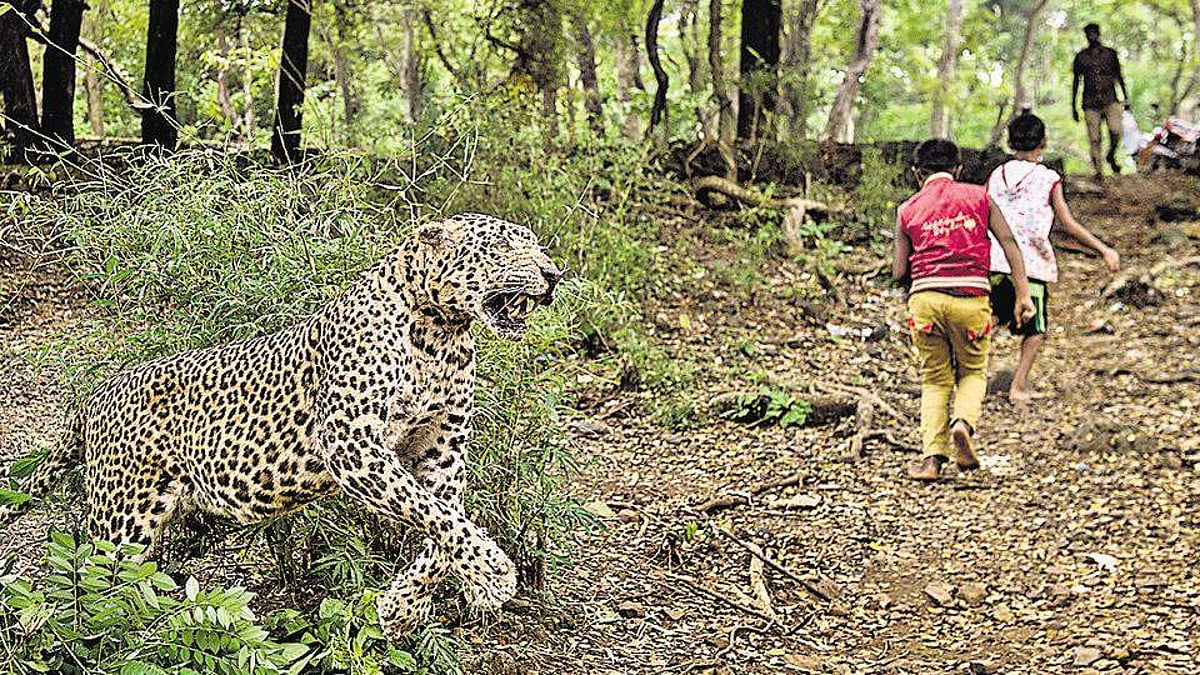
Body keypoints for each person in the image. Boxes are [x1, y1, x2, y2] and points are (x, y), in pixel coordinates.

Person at [893, 139, 1035, 482]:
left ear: (917, 173)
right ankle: (962, 424)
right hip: (971, 300)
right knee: (972, 372)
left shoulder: (907, 209)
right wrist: (1023, 295)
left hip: (925, 302)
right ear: (957, 170)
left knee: (934, 380)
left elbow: (899, 272)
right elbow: (1010, 244)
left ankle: (931, 461)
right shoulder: (980, 197)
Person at [987, 111, 1121, 403]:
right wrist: (1103, 249)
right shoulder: (1048, 178)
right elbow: (1067, 223)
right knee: (1035, 329)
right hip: (1030, 266)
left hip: (994, 261)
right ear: (1044, 141)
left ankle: (968, 376)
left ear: (1010, 142)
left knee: (992, 317)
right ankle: (1018, 385)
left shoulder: (998, 174)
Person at [1072, 23, 1130, 180]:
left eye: (1094, 33)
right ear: (1086, 36)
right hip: (1090, 102)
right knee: (1094, 138)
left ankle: (1110, 155)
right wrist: (1074, 107)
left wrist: (1126, 98)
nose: (1092, 36)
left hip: (1110, 100)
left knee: (1116, 131)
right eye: (1088, 33)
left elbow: (1119, 76)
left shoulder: (1110, 54)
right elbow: (1076, 82)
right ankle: (1098, 172)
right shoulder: (1081, 57)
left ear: (1098, 33)